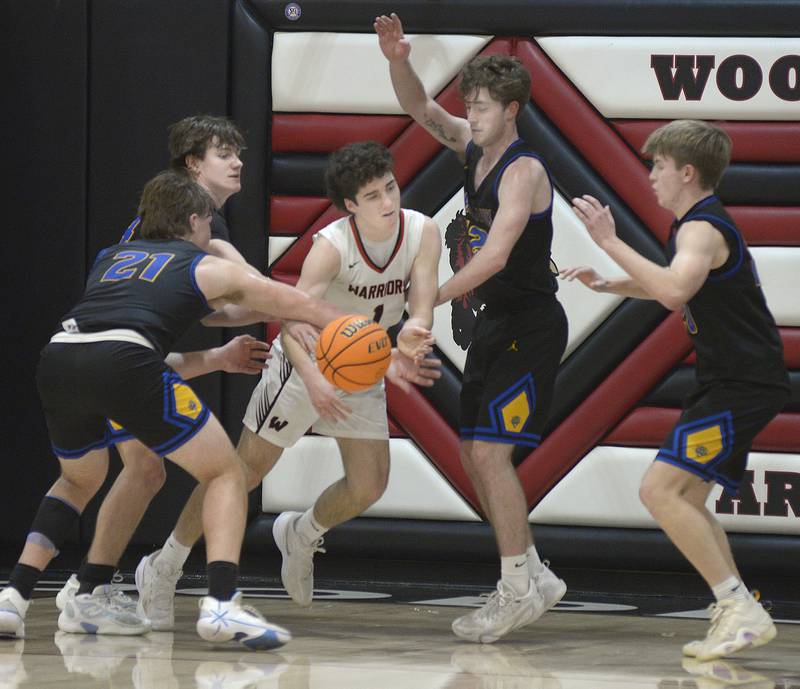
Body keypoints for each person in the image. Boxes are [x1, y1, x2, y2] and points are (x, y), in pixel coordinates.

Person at [0, 170, 346, 646]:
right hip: (125, 363)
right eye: (209, 223)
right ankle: (223, 606)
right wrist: (364, 330)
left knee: (78, 479)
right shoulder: (205, 266)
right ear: (194, 221)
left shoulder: (111, 258)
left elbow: (126, 337)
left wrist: (224, 353)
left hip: (60, 357)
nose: (212, 232)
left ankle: (15, 598)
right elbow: (296, 303)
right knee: (225, 471)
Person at [133, 141, 442, 628]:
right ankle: (164, 565)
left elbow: (422, 300)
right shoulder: (330, 247)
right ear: (350, 206)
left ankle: (300, 533)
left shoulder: (424, 231)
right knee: (240, 472)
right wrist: (316, 380)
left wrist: (414, 333)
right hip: (303, 363)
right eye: (374, 195)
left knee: (369, 485)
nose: (388, 201)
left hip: (362, 363)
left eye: (391, 187)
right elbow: (291, 323)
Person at [561, 119, 789, 660]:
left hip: (742, 384)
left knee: (659, 491)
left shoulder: (701, 229)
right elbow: (672, 283)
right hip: (733, 381)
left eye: (658, 166)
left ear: (687, 171)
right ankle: (737, 611)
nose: (652, 176)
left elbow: (673, 291)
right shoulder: (692, 227)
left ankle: (738, 606)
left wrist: (610, 241)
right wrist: (609, 280)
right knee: (686, 497)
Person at [375, 13, 568, 643]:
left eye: (482, 107)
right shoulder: (471, 148)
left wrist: (425, 299)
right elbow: (418, 107)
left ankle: (515, 588)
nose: (472, 115)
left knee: (490, 453)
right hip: (495, 325)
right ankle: (533, 572)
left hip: (532, 327)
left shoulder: (524, 170)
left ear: (512, 110)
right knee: (471, 454)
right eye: (471, 106)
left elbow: (495, 257)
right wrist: (398, 58)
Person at [48, 115, 267, 618]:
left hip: (113, 350)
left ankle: (86, 586)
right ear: (194, 164)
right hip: (121, 353)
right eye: (224, 154)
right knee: (181, 470)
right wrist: (305, 314)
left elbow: (217, 312)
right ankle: (88, 588)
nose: (237, 163)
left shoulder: (176, 211)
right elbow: (248, 289)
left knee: (144, 470)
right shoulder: (196, 218)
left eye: (240, 154)